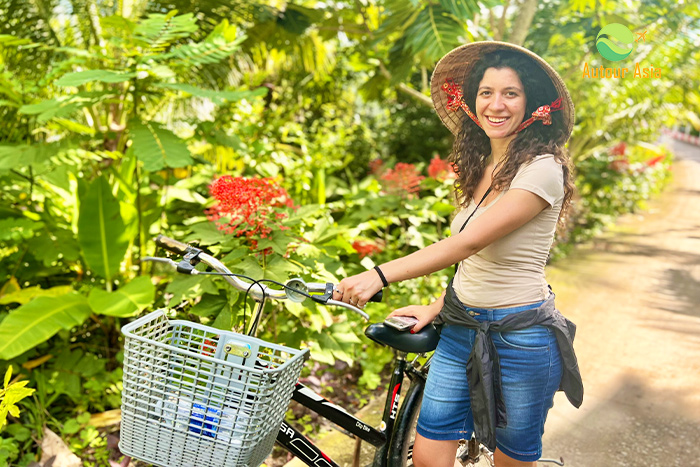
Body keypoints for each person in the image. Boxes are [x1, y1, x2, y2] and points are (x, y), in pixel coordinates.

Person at [332, 41, 583, 467]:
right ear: (472, 102)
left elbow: (466, 243)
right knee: (428, 457)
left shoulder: (543, 169)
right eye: (486, 92)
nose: (496, 104)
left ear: (534, 104)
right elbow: (478, 259)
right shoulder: (482, 165)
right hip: (461, 329)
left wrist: (379, 274)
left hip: (521, 336)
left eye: (510, 93)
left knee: (511, 462)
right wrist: (438, 306)